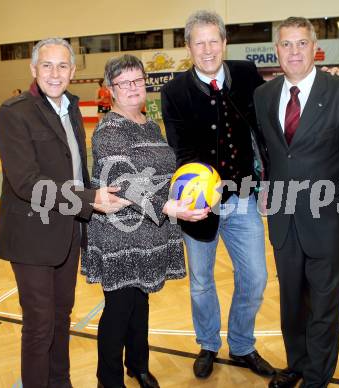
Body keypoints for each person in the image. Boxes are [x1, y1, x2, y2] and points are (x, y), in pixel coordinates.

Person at [0, 38, 126, 388]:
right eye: (48, 66)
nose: (56, 73)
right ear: (33, 70)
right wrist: (88, 199)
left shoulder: (69, 107)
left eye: (63, 66)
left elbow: (74, 170)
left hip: (67, 233)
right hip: (31, 237)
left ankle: (61, 382)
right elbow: (26, 183)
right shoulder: (14, 112)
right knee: (39, 324)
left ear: (73, 71)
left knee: (60, 316)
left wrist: (97, 202)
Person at [254, 17, 339, 387]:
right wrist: (264, 186)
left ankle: (317, 378)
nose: (294, 51)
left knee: (323, 307)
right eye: (286, 44)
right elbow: (271, 154)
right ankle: (297, 366)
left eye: (301, 43)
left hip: (329, 221)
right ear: (277, 50)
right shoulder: (264, 96)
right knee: (291, 304)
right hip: (284, 221)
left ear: (314, 47)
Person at [81, 54, 209, 388]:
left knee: (141, 303)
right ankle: (108, 380)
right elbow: (123, 181)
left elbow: (164, 173)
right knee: (120, 309)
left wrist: (190, 194)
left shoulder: (151, 124)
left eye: (138, 80)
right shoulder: (109, 130)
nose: (134, 87)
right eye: (124, 83)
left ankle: (137, 365)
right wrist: (170, 208)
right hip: (119, 233)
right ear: (111, 89)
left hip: (150, 232)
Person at [161, 10, 274, 379]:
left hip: (243, 197)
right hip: (199, 205)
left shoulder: (246, 74)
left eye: (214, 41)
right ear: (188, 48)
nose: (207, 49)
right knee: (201, 283)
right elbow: (180, 150)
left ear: (225, 43)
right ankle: (208, 343)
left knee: (255, 277)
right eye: (199, 42)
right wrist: (197, 195)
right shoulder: (174, 91)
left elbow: (263, 130)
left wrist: (267, 180)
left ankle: (242, 345)